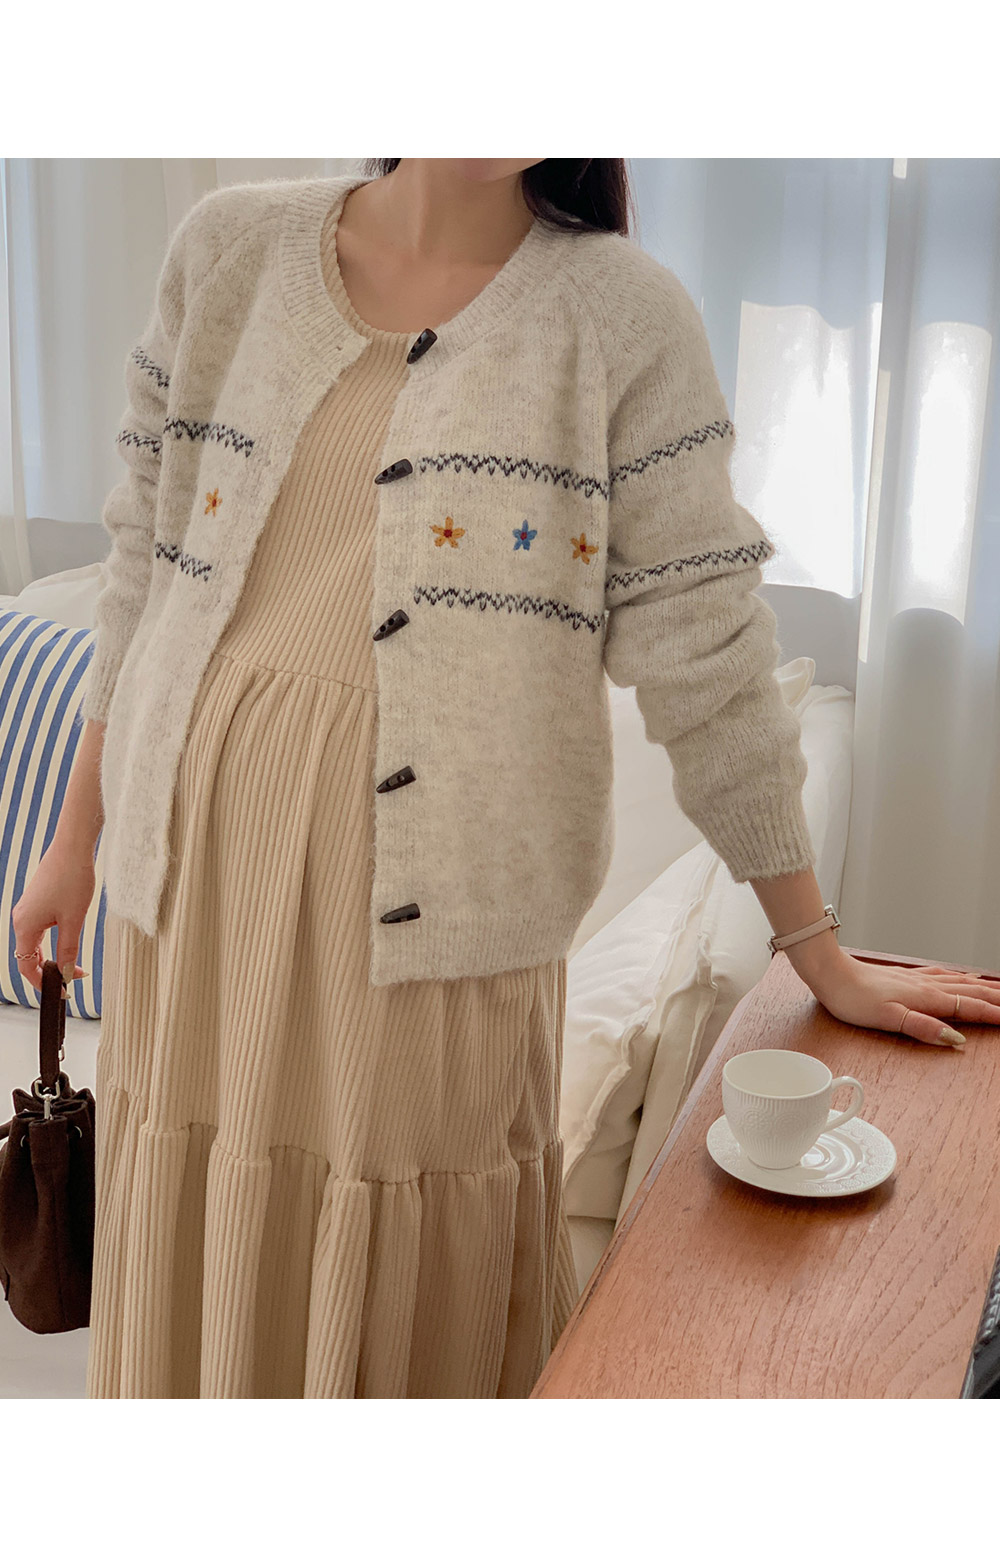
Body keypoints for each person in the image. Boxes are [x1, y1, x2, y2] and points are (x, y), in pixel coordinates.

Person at [13, 158, 1000, 1399]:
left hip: (444, 916)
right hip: (199, 882)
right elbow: (143, 566)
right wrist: (75, 840)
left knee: (413, 1270)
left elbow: (706, 650)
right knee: (197, 1234)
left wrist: (817, 949)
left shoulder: (619, 315)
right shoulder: (230, 249)